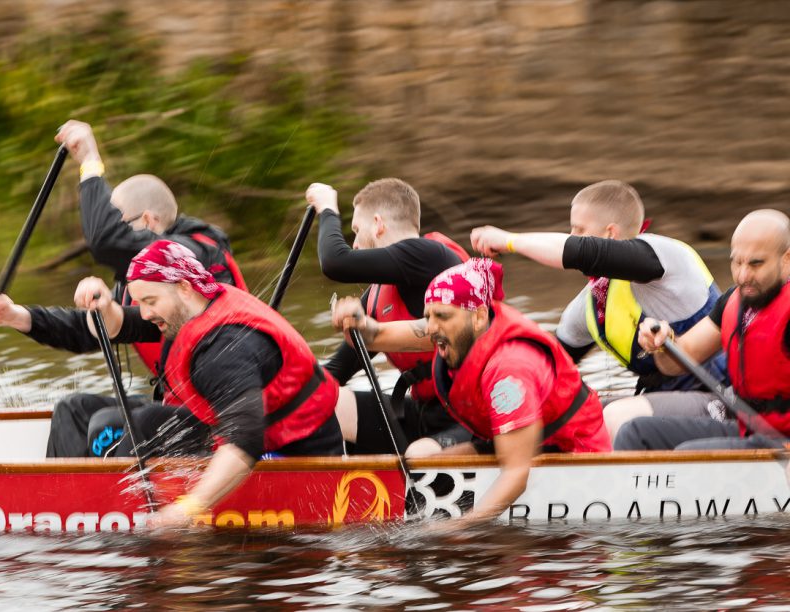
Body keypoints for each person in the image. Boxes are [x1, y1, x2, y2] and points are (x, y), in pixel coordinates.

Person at [0, 240, 343, 527]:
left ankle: (115, 521)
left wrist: (186, 511)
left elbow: (244, 444)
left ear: (183, 287)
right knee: (74, 410)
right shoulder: (189, 306)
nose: (146, 312)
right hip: (226, 430)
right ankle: (62, 511)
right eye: (140, 301)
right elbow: (112, 324)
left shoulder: (224, 348)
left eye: (150, 301)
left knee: (128, 426)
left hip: (288, 451)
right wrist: (18, 315)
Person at [332, 259, 611, 526]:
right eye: (427, 316)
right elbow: (376, 334)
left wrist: (460, 529)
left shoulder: (509, 370)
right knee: (421, 465)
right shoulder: (457, 327)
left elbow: (516, 474)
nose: (430, 328)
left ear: (478, 318)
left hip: (572, 454)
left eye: (441, 316)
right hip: (517, 440)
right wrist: (359, 322)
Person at [42, 120, 248, 451]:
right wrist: (19, 316)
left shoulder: (198, 251)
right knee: (73, 409)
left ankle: (106, 500)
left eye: (123, 224)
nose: (121, 239)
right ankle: (61, 500)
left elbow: (105, 239)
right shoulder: (142, 281)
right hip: (179, 405)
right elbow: (91, 331)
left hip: (226, 413)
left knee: (110, 425)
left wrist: (91, 161)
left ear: (148, 222)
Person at [469, 180, 724, 439]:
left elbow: (581, 252)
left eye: (578, 229)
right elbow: (545, 367)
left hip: (725, 399)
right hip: (664, 405)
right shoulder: (588, 307)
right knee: (561, 420)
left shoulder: (668, 257)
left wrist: (509, 241)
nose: (570, 237)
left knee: (615, 417)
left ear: (610, 234)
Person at [305, 179, 469, 454]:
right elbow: (336, 371)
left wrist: (328, 209)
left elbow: (335, 262)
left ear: (378, 224)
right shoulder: (376, 296)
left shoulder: (429, 255)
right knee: (320, 403)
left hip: (469, 419)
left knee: (418, 454)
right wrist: (283, 394)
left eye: (356, 230)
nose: (355, 244)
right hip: (423, 414)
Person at [613, 209, 790, 451]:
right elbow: (676, 362)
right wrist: (664, 342)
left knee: (687, 455)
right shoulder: (733, 302)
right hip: (746, 427)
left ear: (786, 259)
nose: (743, 275)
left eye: (756, 264)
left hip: (782, 442)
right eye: (737, 262)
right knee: (634, 433)